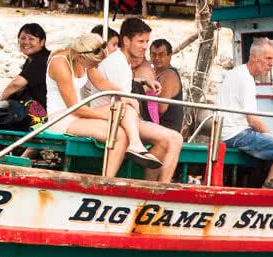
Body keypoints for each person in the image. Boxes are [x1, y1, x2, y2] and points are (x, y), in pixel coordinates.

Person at [46, 32, 162, 176]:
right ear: (81, 57)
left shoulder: (84, 56)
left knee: (124, 106)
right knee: (119, 134)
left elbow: (100, 82)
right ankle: (106, 180)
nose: (95, 67)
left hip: (78, 113)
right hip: (61, 117)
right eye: (93, 64)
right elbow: (75, 109)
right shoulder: (60, 64)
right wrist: (105, 115)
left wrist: (124, 94)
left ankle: (135, 145)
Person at [86, 18, 184, 183]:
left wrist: (141, 81)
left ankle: (149, 185)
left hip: (120, 115)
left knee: (163, 142)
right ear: (126, 40)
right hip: (115, 116)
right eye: (140, 41)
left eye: (146, 41)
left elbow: (121, 88)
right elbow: (127, 102)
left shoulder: (120, 61)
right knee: (175, 138)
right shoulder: (118, 64)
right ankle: (164, 188)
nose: (145, 46)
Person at [218, 37, 273, 188]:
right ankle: (267, 189)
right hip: (236, 135)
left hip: (226, 132)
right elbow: (253, 121)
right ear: (254, 57)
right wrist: (270, 135)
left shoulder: (236, 72)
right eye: (268, 58)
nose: (271, 63)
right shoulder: (246, 80)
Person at [0, 23, 50, 129]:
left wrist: (0, 101)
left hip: (41, 115)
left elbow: (16, 84)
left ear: (42, 42)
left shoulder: (42, 60)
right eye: (22, 38)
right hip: (35, 108)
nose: (26, 42)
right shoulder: (33, 59)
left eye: (31, 39)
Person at [149, 38, 184, 131]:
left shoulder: (169, 75)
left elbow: (161, 108)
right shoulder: (154, 73)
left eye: (161, 55)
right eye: (153, 54)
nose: (157, 58)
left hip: (166, 130)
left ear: (170, 55)